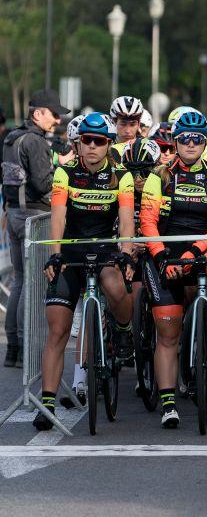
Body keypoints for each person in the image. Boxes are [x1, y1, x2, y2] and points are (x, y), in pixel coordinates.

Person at [139, 110, 207, 429]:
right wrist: (161, 257)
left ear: (205, 143)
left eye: (198, 139)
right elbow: (147, 222)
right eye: (185, 139)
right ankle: (169, 402)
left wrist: (192, 252)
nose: (191, 144)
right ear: (176, 140)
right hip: (164, 256)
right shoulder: (160, 175)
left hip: (201, 249)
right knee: (168, 333)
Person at [34, 113, 135, 430]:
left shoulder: (123, 176)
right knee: (58, 329)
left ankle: (121, 331)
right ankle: (47, 402)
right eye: (86, 141)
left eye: (99, 141)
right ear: (78, 144)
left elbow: (128, 221)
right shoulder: (65, 173)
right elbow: (58, 218)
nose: (91, 146)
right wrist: (55, 255)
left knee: (119, 288)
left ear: (108, 144)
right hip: (71, 252)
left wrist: (128, 255)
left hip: (104, 249)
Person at [3, 89, 68, 368]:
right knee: (33, 284)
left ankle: (13, 350)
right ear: (38, 113)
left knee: (19, 281)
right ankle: (30, 351)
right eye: (54, 114)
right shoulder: (35, 141)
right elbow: (43, 184)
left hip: (14, 214)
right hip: (34, 216)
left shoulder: (11, 137)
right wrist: (61, 168)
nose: (57, 121)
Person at [109, 95, 145, 160]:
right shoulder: (104, 146)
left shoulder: (146, 148)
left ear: (139, 124)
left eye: (132, 124)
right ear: (114, 122)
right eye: (123, 124)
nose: (128, 131)